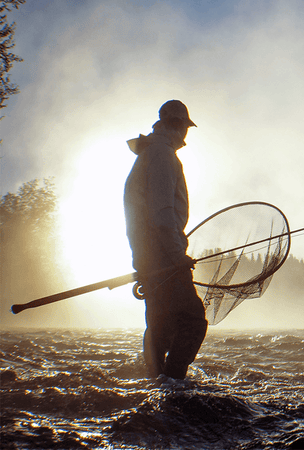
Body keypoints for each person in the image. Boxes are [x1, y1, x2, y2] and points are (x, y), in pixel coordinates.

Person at [123, 100, 208, 380]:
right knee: (193, 321)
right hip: (162, 258)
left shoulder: (149, 153)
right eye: (184, 127)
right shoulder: (162, 155)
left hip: (149, 257)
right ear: (177, 125)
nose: (186, 134)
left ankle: (156, 386)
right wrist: (177, 257)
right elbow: (162, 214)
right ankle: (172, 386)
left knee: (160, 325)